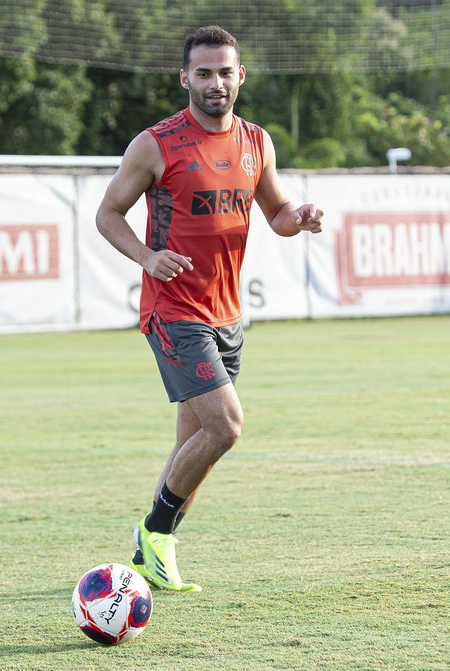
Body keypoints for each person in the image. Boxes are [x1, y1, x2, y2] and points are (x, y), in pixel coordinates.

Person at [95, 25, 324, 592]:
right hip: (173, 312)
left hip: (227, 315)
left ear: (240, 75)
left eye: (225, 71)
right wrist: (147, 258)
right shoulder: (156, 144)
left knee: (190, 447)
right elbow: (108, 214)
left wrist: (301, 219)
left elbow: (277, 213)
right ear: (185, 79)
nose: (215, 82)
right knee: (226, 428)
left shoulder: (257, 142)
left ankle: (153, 555)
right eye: (204, 73)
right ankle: (156, 531)